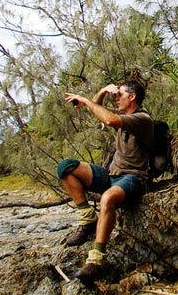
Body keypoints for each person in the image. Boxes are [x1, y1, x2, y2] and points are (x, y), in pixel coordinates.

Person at [58, 80, 153, 283]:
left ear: (132, 96)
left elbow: (108, 119)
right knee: (66, 167)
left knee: (108, 198)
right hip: (111, 174)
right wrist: (101, 91)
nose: (116, 98)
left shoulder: (142, 118)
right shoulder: (124, 115)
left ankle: (96, 260)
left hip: (133, 177)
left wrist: (84, 99)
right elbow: (97, 107)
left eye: (120, 95)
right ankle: (87, 219)